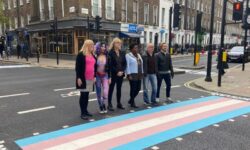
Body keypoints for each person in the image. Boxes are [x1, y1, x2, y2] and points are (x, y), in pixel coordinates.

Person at [75, 39, 96, 120]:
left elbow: (94, 67)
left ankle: (86, 110)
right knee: (83, 95)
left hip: (91, 78)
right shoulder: (81, 54)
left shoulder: (92, 54)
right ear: (87, 46)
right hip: (83, 78)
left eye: (93, 45)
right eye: (91, 45)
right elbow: (77, 68)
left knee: (87, 96)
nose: (93, 47)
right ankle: (82, 113)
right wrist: (78, 78)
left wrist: (94, 76)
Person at [108, 38, 126, 111]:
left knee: (119, 89)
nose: (119, 44)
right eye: (117, 43)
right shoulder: (110, 53)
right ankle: (109, 104)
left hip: (121, 74)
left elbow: (125, 63)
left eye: (119, 43)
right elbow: (110, 65)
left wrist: (122, 71)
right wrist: (117, 72)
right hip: (113, 74)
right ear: (114, 44)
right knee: (111, 89)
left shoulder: (122, 52)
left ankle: (119, 103)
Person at [94, 42, 110, 114]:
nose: (103, 48)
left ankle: (103, 103)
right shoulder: (95, 56)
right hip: (97, 76)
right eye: (101, 47)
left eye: (104, 47)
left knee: (106, 91)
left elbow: (109, 68)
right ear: (98, 48)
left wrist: (110, 77)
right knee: (98, 92)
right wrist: (94, 76)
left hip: (105, 75)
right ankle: (101, 106)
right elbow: (93, 67)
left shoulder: (107, 56)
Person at [126, 43, 143, 108]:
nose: (136, 49)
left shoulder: (138, 55)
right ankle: (132, 102)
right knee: (133, 89)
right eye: (135, 48)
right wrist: (128, 74)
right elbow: (127, 65)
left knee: (138, 88)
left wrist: (142, 72)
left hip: (139, 74)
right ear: (131, 49)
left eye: (137, 48)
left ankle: (131, 100)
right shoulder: (128, 55)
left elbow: (141, 63)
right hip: (132, 74)